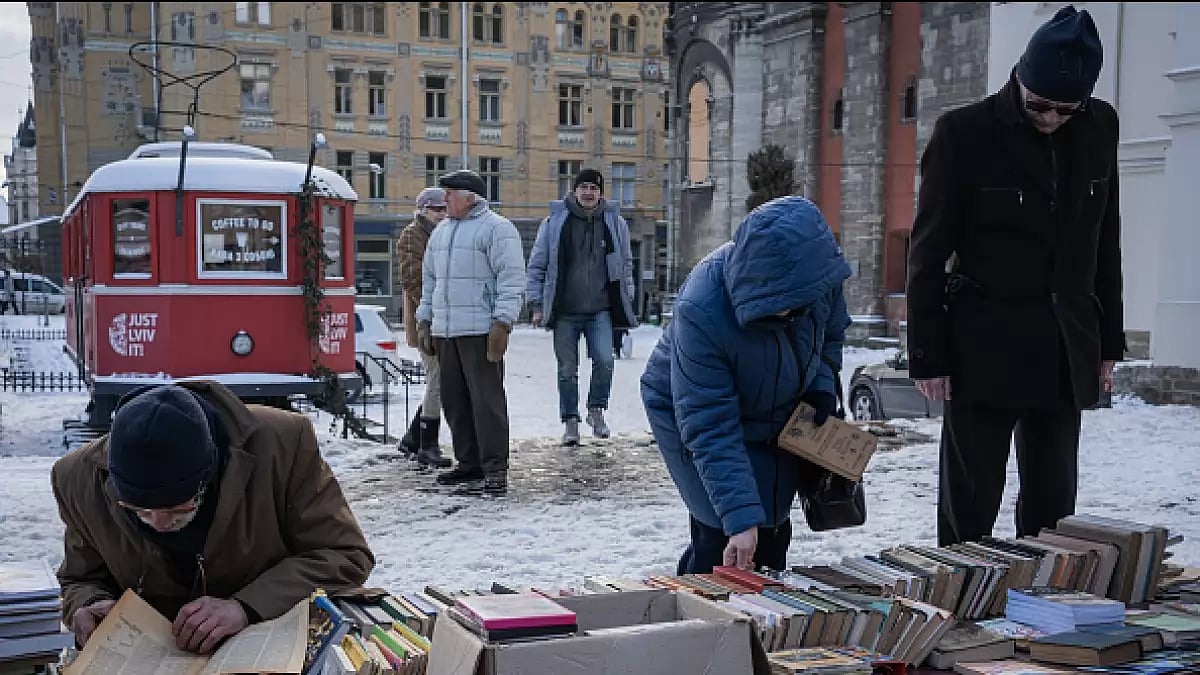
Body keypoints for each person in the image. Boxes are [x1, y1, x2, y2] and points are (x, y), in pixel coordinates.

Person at [906, 5, 1124, 547]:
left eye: (1065, 110)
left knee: (1055, 510)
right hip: (983, 344)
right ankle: (963, 608)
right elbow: (927, 253)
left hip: (1063, 344)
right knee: (970, 505)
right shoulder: (964, 133)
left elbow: (1106, 238)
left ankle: (1047, 609)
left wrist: (1108, 341)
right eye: (1039, 106)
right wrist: (928, 355)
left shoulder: (1101, 128)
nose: (1049, 118)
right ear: (1019, 77)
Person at [50, 382, 374, 654]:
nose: (159, 524)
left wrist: (247, 607)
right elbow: (79, 579)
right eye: (140, 512)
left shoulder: (281, 446)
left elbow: (345, 555)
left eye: (179, 509)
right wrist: (87, 605)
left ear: (211, 473)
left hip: (263, 651)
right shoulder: (78, 479)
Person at [640, 196, 851, 573]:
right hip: (691, 412)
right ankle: (698, 616)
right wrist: (738, 519)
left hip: (775, 403)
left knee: (772, 527)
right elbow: (709, 424)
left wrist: (820, 384)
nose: (792, 315)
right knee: (722, 532)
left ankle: (764, 617)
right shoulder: (701, 309)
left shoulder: (818, 279)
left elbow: (831, 334)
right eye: (783, 307)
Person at [416, 170, 526, 495]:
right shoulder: (442, 233)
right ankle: (469, 463)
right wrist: (425, 320)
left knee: (487, 403)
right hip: (447, 331)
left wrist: (502, 323)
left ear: (470, 197)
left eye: (449, 193)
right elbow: (430, 282)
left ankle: (494, 469)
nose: (444, 199)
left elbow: (511, 279)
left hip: (480, 331)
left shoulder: (497, 229)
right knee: (455, 402)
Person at [526, 169, 636, 446]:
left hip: (600, 308)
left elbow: (625, 264)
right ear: (574, 190)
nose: (588, 193)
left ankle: (596, 410)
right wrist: (536, 304)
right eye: (584, 187)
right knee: (567, 369)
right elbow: (537, 265)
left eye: (594, 188)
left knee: (605, 360)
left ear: (601, 193)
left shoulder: (615, 223)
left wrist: (628, 295)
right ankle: (571, 421)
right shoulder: (554, 223)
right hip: (565, 310)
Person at [397, 187, 451, 468]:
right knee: (437, 381)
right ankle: (427, 446)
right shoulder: (412, 235)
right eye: (436, 209)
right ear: (423, 210)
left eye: (445, 208)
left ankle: (412, 439)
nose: (442, 214)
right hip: (425, 321)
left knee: (441, 381)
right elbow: (413, 280)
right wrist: (431, 311)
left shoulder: (445, 233)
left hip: (443, 319)